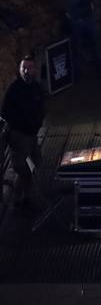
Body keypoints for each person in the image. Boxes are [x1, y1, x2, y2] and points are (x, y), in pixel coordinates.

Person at [1, 55, 46, 212]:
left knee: (36, 162)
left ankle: (26, 196)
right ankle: (20, 200)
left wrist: (38, 121)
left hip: (32, 135)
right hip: (19, 136)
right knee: (23, 169)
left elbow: (42, 106)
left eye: (29, 68)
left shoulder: (37, 88)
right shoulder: (14, 90)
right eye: (23, 68)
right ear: (20, 70)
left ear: (35, 69)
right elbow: (5, 112)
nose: (26, 71)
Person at [65, 0, 101, 80]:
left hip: (88, 20)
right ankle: (78, 76)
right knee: (77, 49)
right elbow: (73, 3)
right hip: (77, 23)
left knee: (94, 45)